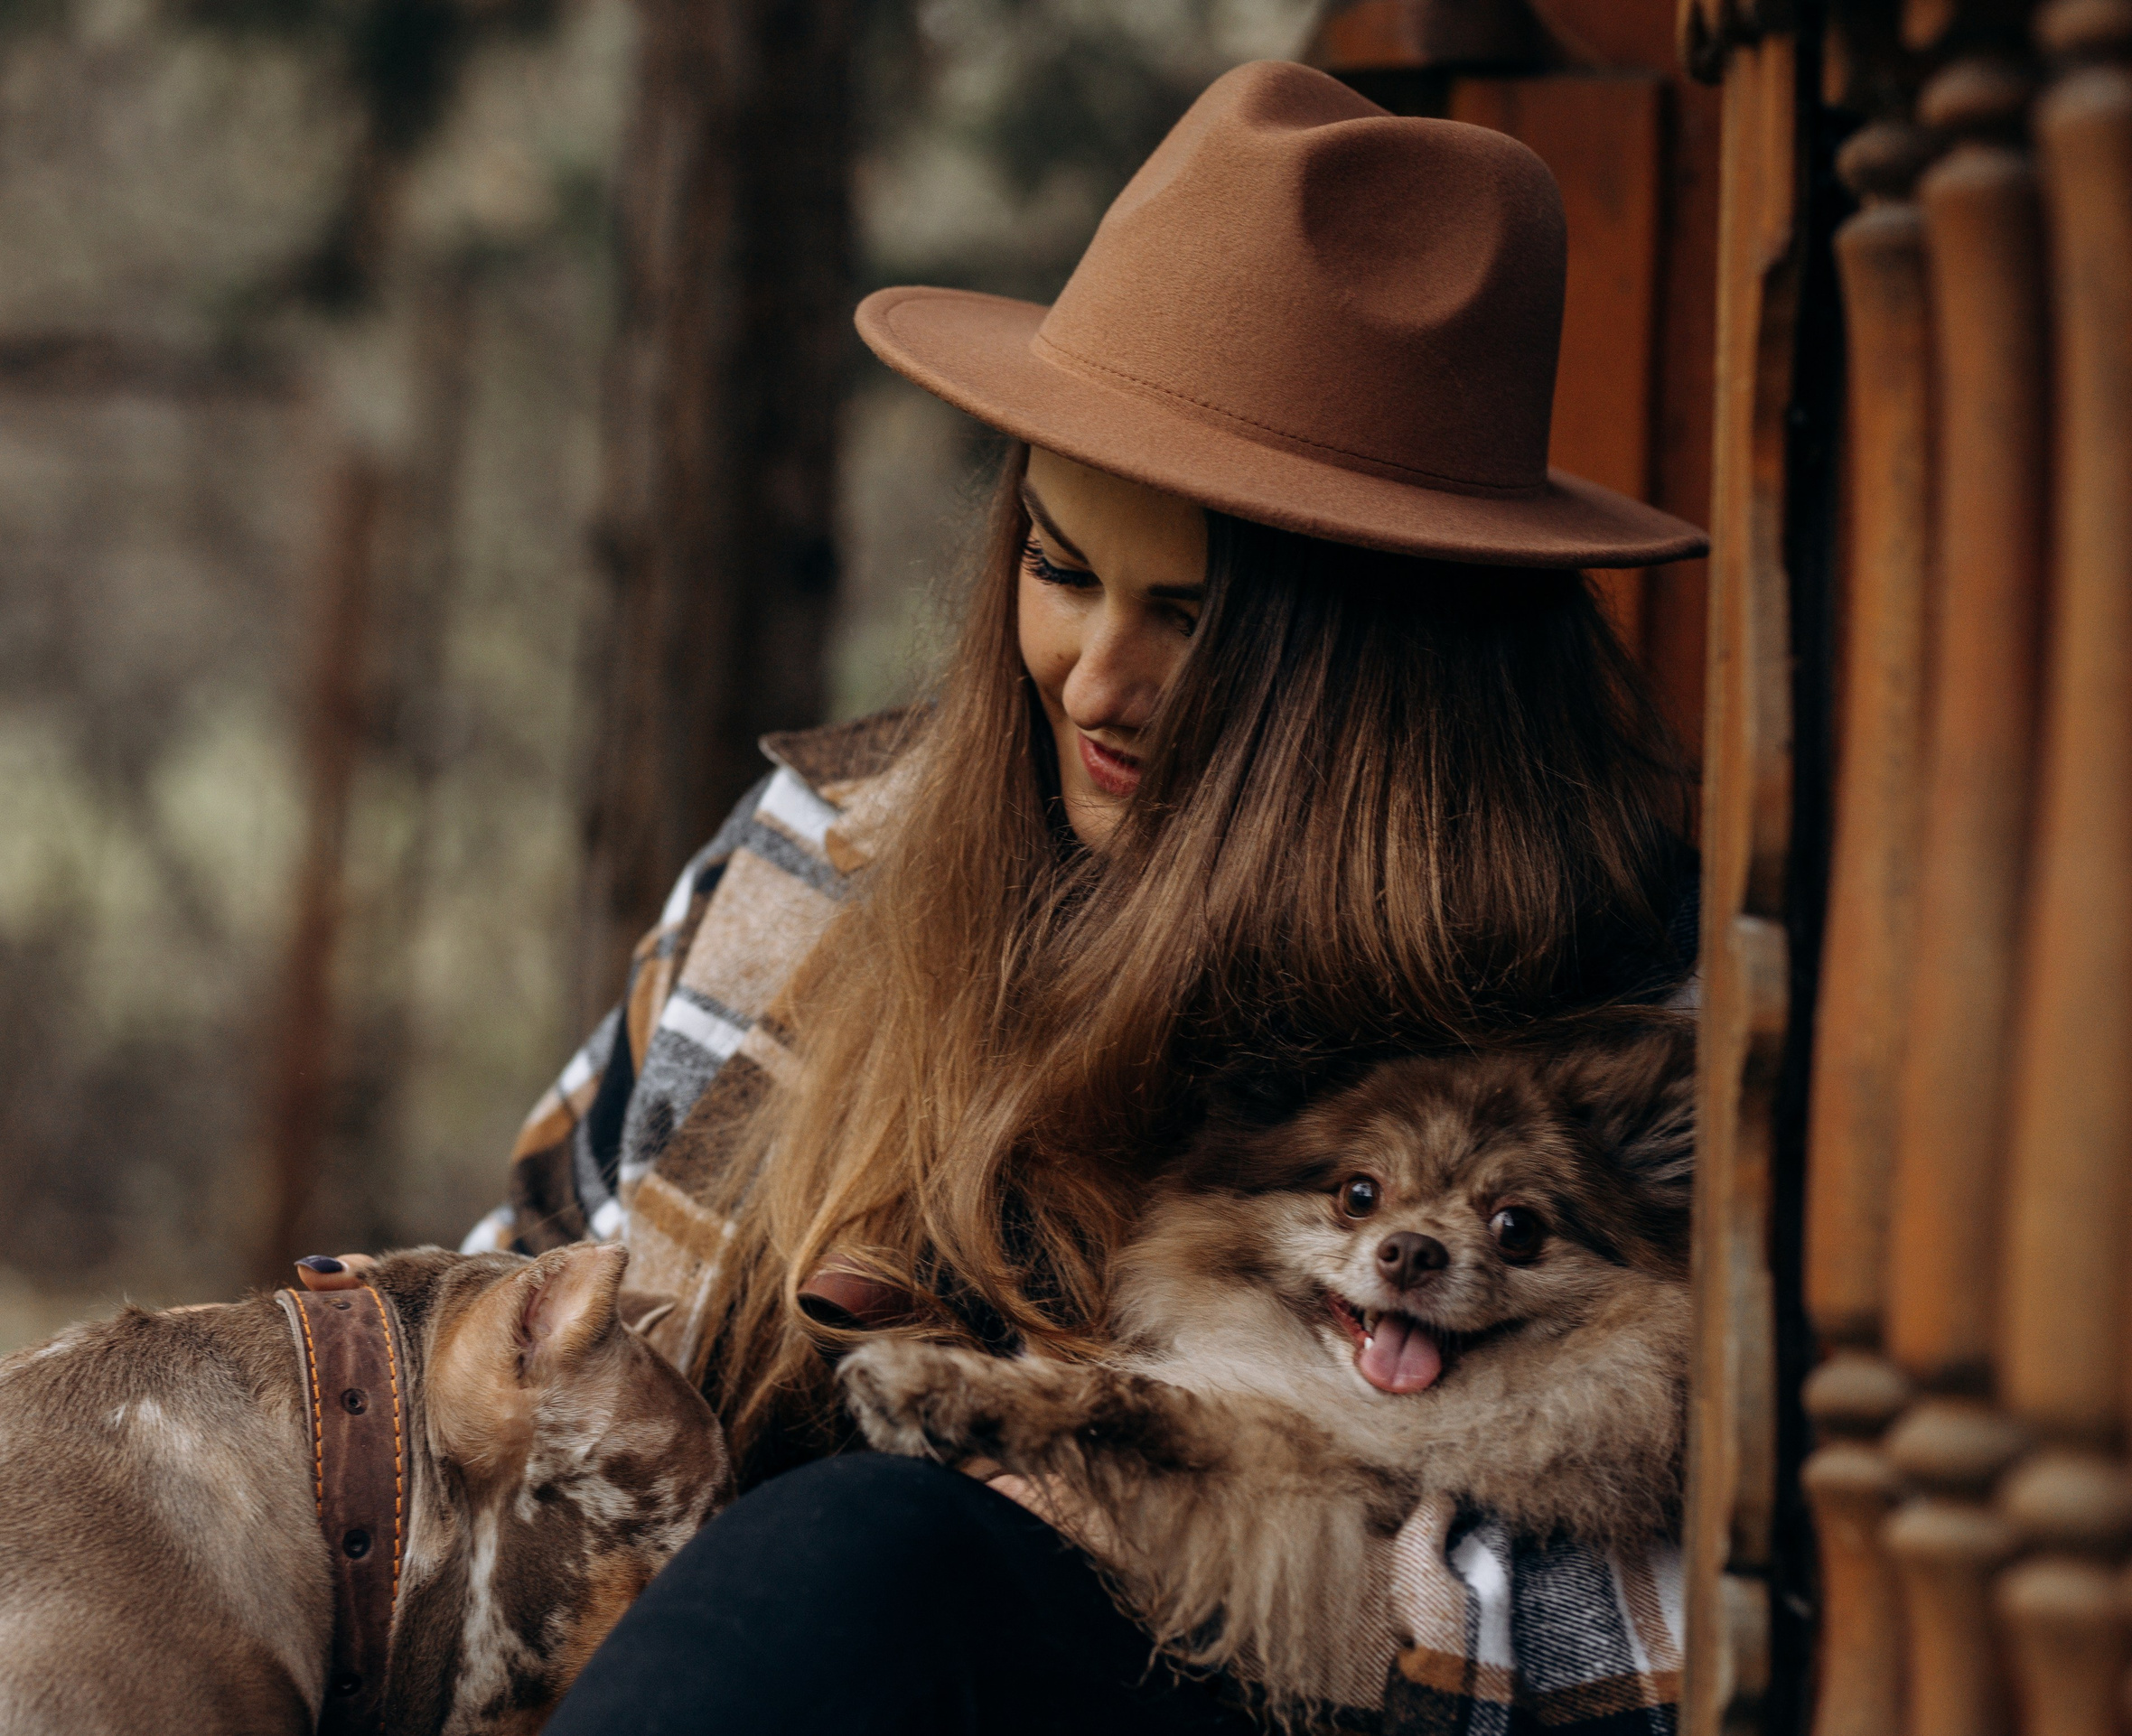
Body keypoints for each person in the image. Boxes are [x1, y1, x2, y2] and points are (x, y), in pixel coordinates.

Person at [453, 59, 1705, 1736]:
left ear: (1392, 671)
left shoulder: (1632, 1019)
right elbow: (532, 1278)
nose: (1095, 679)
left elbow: (1679, 1623)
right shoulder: (823, 850)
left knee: (866, 1555)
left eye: (1193, 619)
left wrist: (1088, 1502)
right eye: (1059, 568)